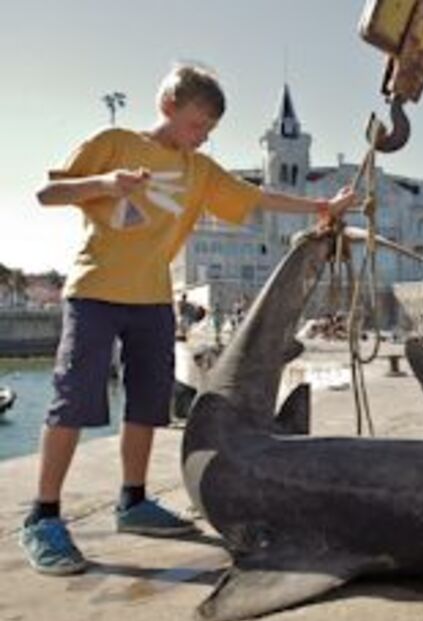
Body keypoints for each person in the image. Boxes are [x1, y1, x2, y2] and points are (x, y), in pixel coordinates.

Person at [22, 63, 357, 576]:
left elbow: (259, 196)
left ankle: (133, 503)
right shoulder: (114, 141)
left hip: (154, 299)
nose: (203, 139)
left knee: (148, 403)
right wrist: (108, 183)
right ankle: (43, 517)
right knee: (73, 401)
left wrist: (320, 206)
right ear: (169, 108)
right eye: (198, 126)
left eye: (211, 131)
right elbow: (49, 194)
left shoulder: (200, 172)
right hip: (94, 293)